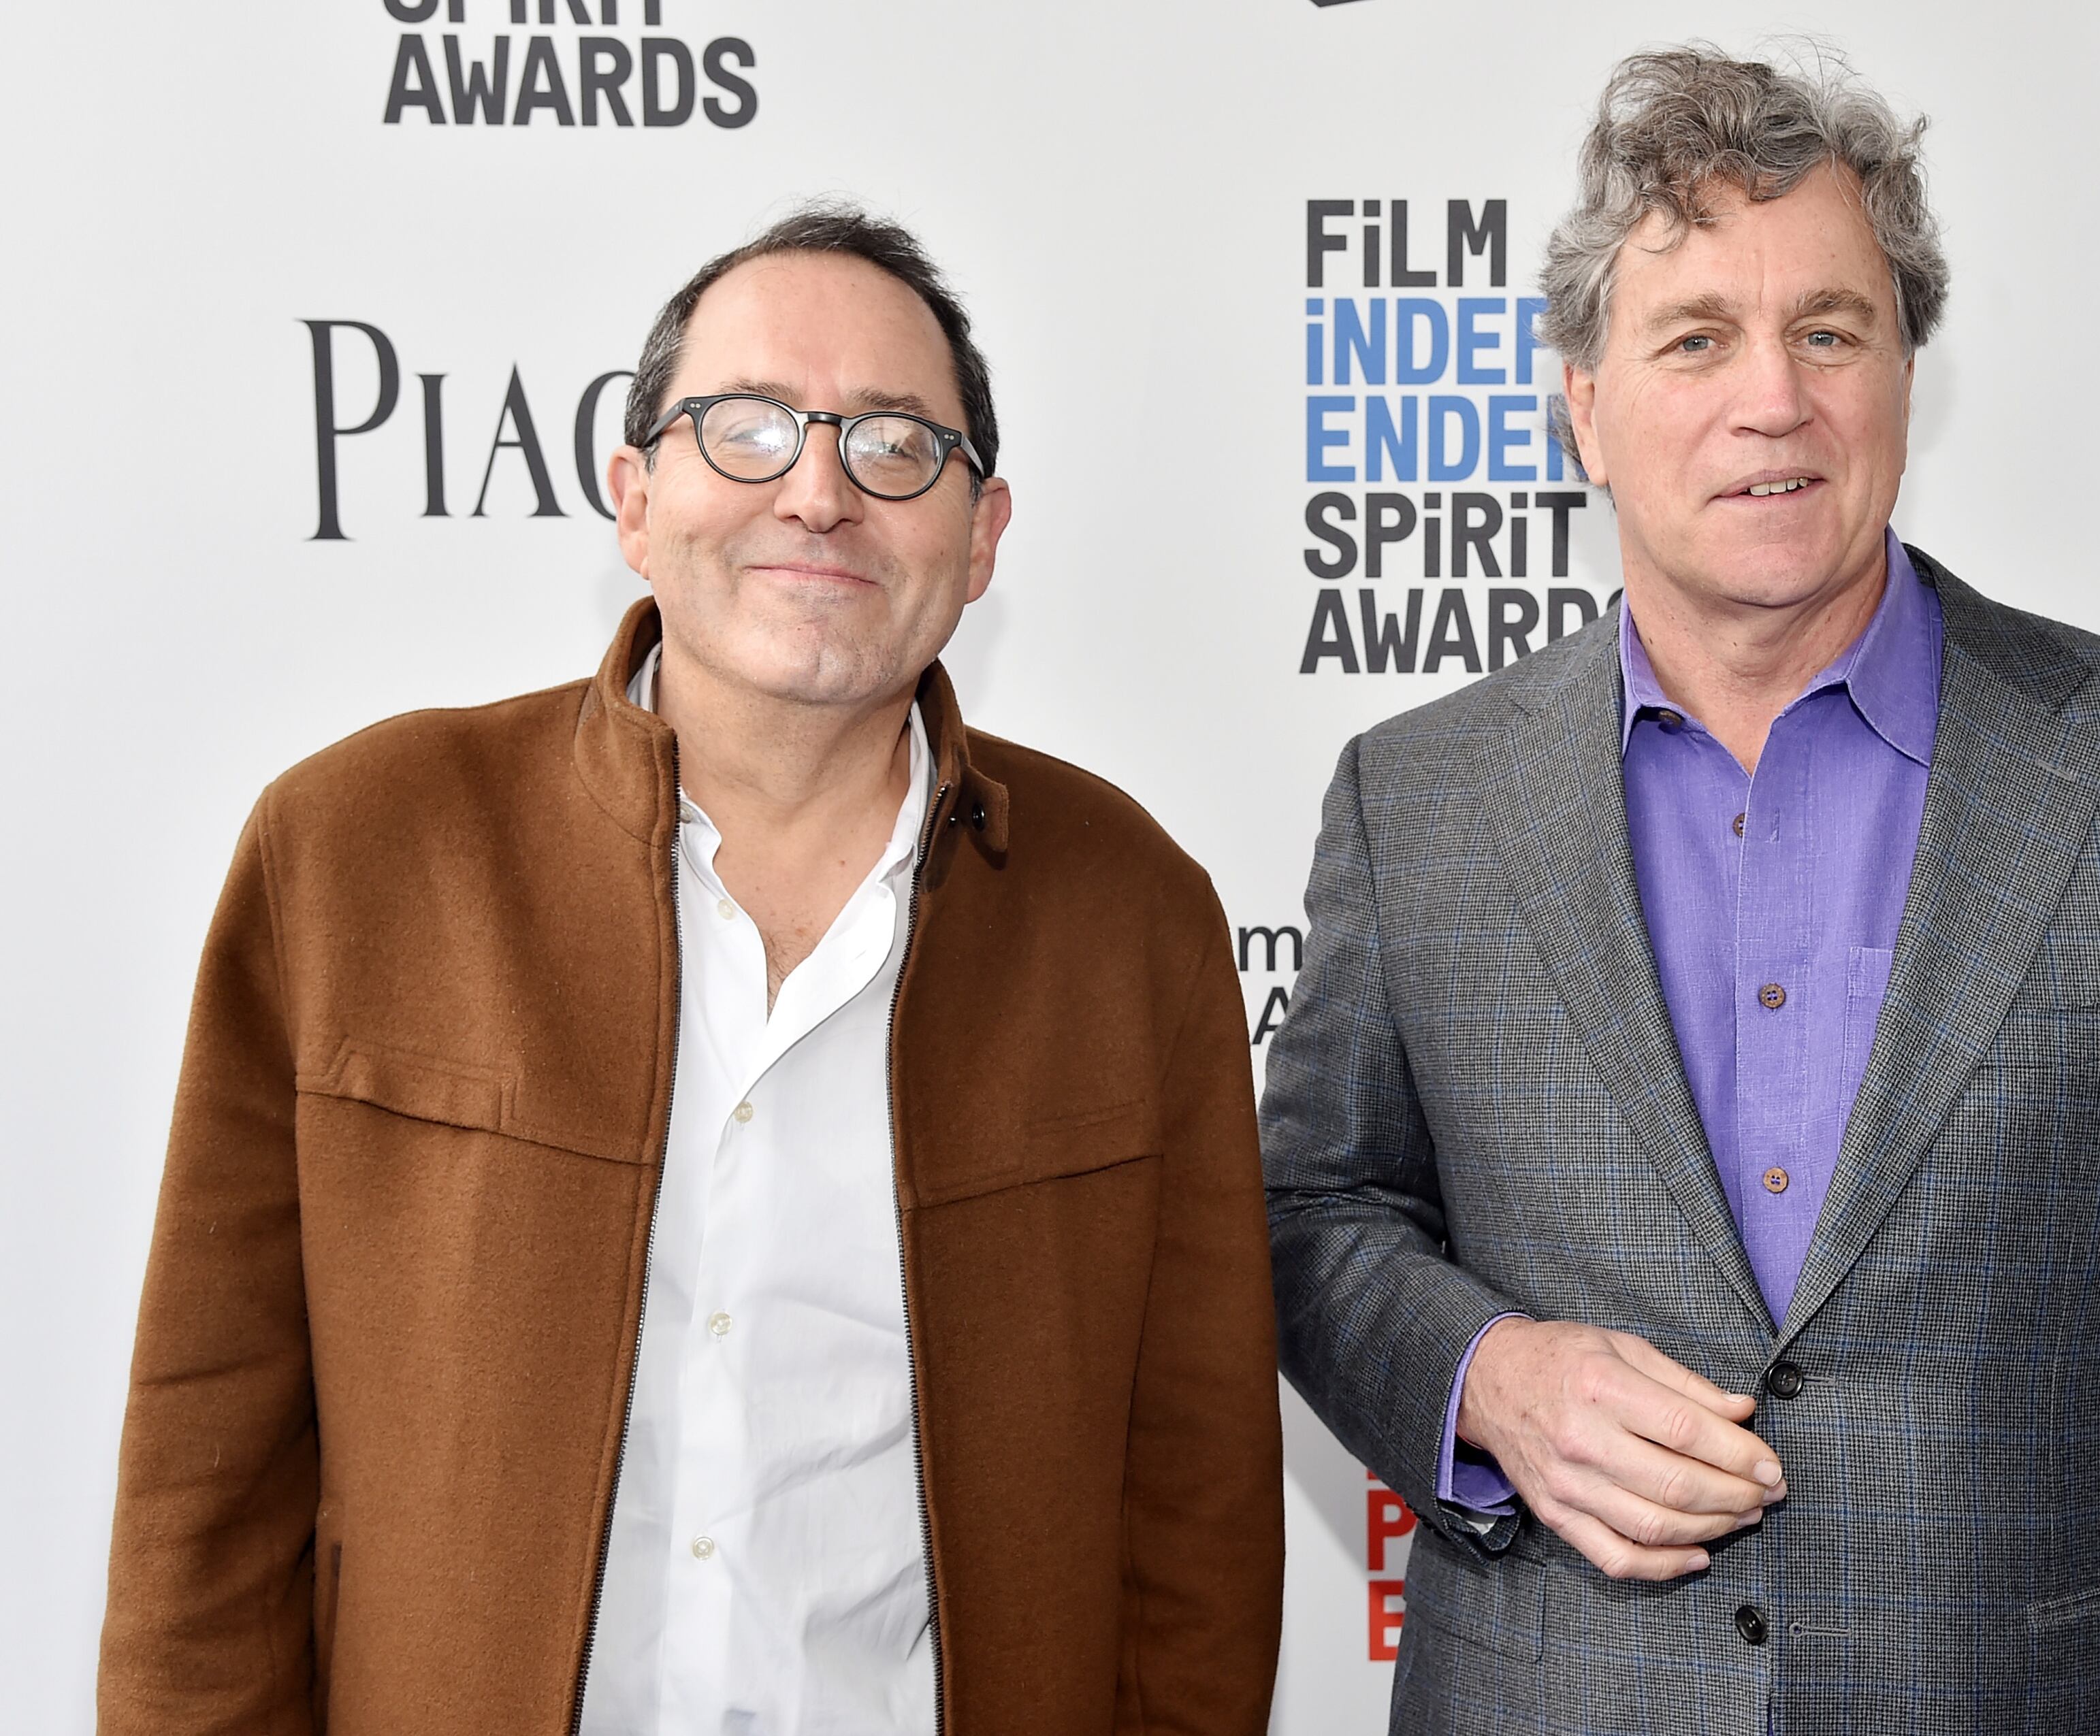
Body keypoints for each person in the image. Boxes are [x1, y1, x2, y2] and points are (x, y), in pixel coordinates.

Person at [1263, 48, 2100, 1735]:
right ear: (1584, 411)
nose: (1774, 398)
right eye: (1694, 337)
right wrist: (1492, 1379)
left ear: (1908, 374)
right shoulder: (1417, 803)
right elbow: (1312, 1219)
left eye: (1830, 330)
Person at [98, 203, 1282, 1736]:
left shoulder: (1129, 916)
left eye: (896, 443)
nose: (820, 491)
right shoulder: (356, 852)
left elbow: (1196, 1519)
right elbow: (210, 1470)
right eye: (749, 429)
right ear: (635, 499)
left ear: (982, 537)